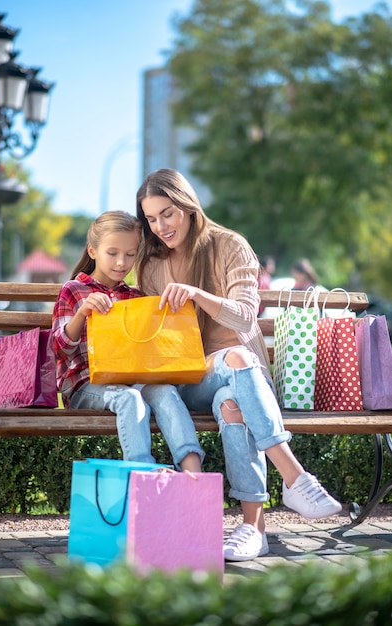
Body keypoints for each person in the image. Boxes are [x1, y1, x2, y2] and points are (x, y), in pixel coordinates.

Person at [135, 169, 341, 562]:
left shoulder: (230, 246)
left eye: (168, 213)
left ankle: (253, 530)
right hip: (191, 378)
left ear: (188, 206)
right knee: (238, 360)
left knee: (234, 403)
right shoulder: (152, 265)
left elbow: (246, 318)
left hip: (246, 380)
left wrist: (198, 294)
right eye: (151, 218)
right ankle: (295, 478)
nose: (160, 226)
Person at [52, 210, 204, 473]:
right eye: (112, 253)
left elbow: (146, 352)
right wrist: (82, 313)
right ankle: (142, 472)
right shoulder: (74, 290)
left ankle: (193, 470)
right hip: (85, 385)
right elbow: (60, 349)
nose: (122, 262)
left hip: (130, 378)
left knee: (164, 391)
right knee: (130, 397)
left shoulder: (135, 297)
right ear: (92, 251)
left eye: (130, 254)